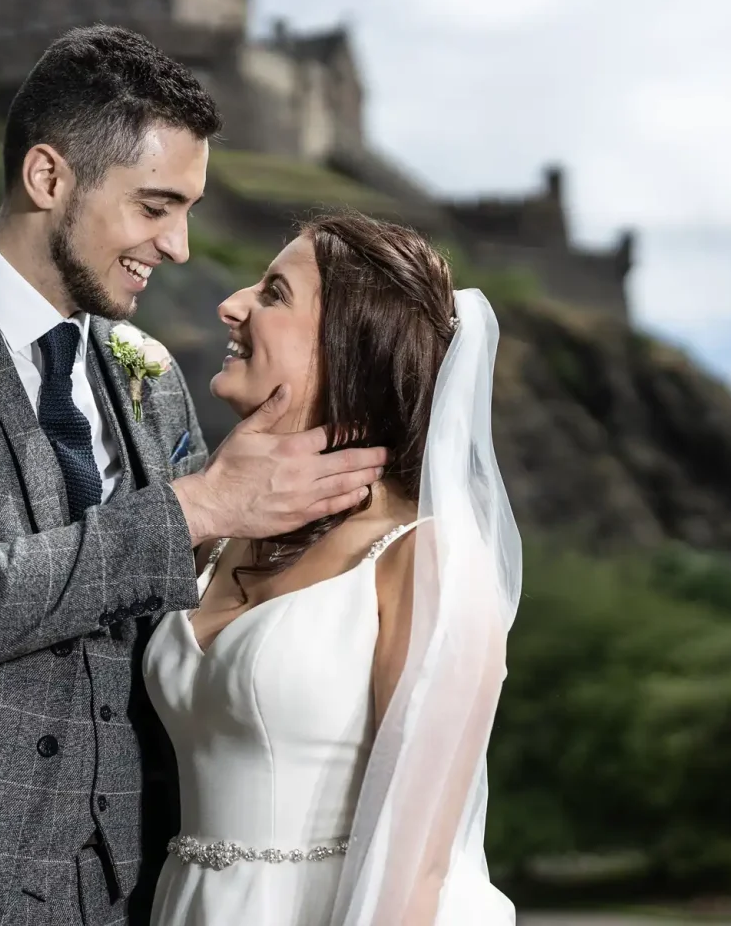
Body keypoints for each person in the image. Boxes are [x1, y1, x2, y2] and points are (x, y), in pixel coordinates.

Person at [0, 25, 388, 926]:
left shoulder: (150, 376)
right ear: (48, 178)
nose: (177, 246)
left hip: (137, 894)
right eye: (154, 207)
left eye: (188, 209)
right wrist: (200, 504)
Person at [144, 212, 522, 926]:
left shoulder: (425, 560)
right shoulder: (217, 534)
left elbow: (416, 869)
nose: (232, 304)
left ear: (349, 345)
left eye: (275, 292)